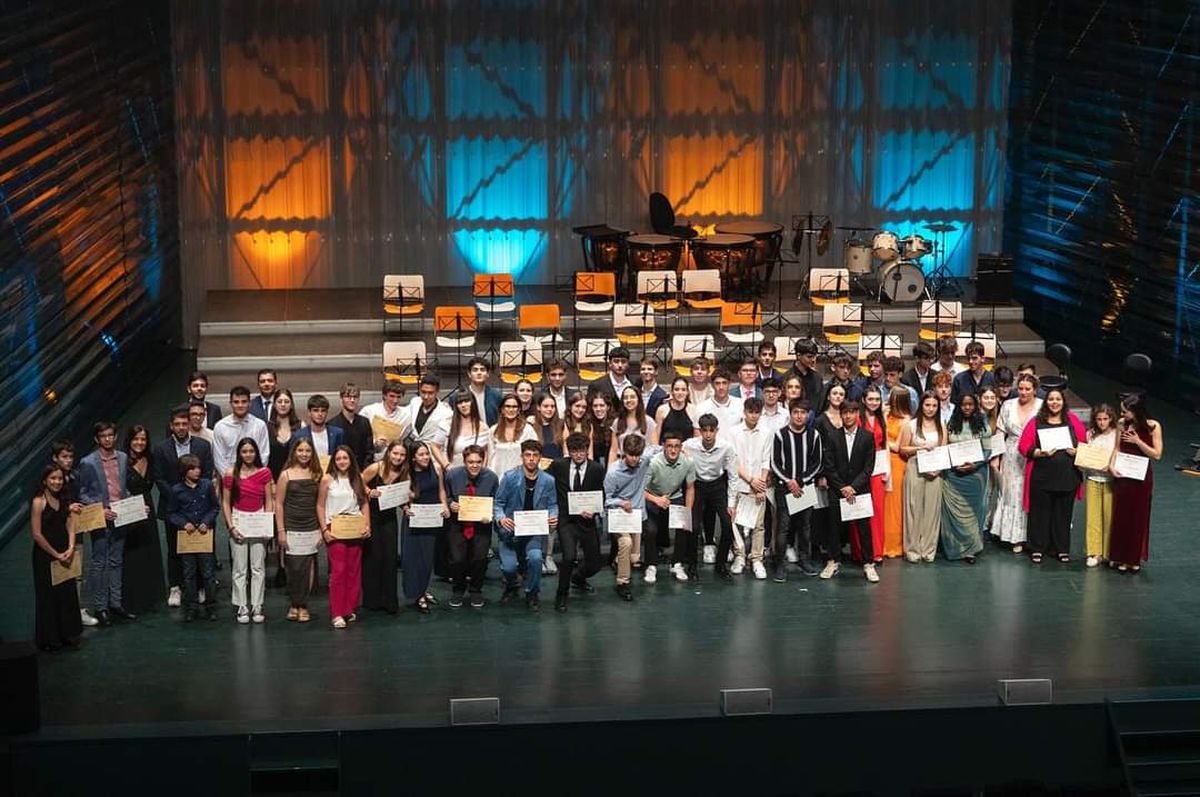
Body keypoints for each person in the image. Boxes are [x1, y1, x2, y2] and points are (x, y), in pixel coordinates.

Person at [152, 409, 214, 608]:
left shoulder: (202, 446)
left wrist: (193, 495)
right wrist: (178, 496)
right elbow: (159, 477)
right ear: (171, 426)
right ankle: (176, 587)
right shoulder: (161, 448)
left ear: (189, 424)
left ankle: (202, 587)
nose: (180, 427)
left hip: (201, 506)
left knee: (202, 549)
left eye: (184, 424)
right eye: (177, 424)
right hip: (174, 507)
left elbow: (207, 473)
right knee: (174, 549)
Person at [1019, 387, 1087, 565]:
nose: (1054, 403)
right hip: (1042, 476)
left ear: (1063, 402)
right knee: (1039, 514)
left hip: (1067, 477)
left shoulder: (1072, 420)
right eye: (1051, 399)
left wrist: (1077, 451)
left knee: (1063, 515)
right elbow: (1024, 445)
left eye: (1058, 399)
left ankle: (1061, 548)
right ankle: (1037, 548)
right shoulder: (1035, 421)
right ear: (1045, 402)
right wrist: (1038, 453)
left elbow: (1085, 444)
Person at [78, 421, 134, 626]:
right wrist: (100, 510)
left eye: (110, 435)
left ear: (116, 436)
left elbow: (123, 488)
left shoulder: (123, 457)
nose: (107, 439)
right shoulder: (88, 462)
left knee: (117, 560)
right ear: (96, 439)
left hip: (120, 516)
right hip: (100, 517)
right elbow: (83, 493)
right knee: (100, 562)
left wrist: (134, 506)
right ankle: (101, 607)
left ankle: (115, 603)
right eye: (103, 436)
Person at [493, 439, 559, 611]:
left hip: (533, 531)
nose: (531, 459)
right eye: (527, 455)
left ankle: (532, 593)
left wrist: (553, 516)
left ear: (540, 458)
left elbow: (553, 504)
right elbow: (498, 503)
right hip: (510, 531)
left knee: (536, 559)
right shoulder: (509, 477)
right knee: (508, 567)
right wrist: (500, 518)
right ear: (522, 456)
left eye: (535, 455)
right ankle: (512, 585)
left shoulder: (548, 480)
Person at [820, 401, 879, 583]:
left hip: (859, 490)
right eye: (845, 412)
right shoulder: (832, 436)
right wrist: (842, 487)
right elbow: (829, 466)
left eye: (852, 412)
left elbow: (868, 468)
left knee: (864, 528)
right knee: (834, 528)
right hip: (838, 490)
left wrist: (853, 487)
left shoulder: (867, 437)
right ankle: (833, 561)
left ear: (857, 414)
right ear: (841, 414)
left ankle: (868, 564)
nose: (848, 416)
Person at [221, 437, 274, 624]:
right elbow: (226, 502)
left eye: (251, 451)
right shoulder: (230, 473)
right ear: (239, 453)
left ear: (256, 453)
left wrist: (267, 525)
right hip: (238, 519)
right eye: (244, 451)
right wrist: (231, 526)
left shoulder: (264, 472)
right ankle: (242, 606)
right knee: (239, 568)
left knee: (258, 567)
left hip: (259, 519)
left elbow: (269, 500)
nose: (248, 454)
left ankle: (257, 605)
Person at [1108, 394, 1163, 574]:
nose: (1122, 414)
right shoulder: (1121, 424)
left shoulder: (1153, 426)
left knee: (1137, 518)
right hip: (1123, 475)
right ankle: (1120, 557)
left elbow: (1157, 454)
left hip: (1141, 478)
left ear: (1136, 411)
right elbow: (1116, 448)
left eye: (1125, 411)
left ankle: (1133, 559)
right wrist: (1111, 465)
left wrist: (1138, 441)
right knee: (1121, 517)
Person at [770, 398, 823, 581]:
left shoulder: (814, 435)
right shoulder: (779, 435)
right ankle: (779, 564)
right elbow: (774, 463)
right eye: (796, 412)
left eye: (803, 412)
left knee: (805, 527)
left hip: (805, 488)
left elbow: (817, 463)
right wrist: (788, 481)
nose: (799, 416)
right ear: (790, 414)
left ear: (808, 415)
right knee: (783, 528)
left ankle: (804, 559)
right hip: (784, 488)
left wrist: (800, 480)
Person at [30, 466, 82, 651]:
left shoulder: (64, 499)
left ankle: (67, 634)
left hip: (64, 552)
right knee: (48, 597)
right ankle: (50, 639)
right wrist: (56, 554)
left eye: (60, 478)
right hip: (46, 556)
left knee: (66, 594)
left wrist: (70, 547)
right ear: (45, 480)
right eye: (52, 478)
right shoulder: (38, 501)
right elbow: (36, 534)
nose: (57, 482)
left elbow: (70, 523)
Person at [319, 445, 371, 627]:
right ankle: (337, 612)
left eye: (345, 458)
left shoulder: (358, 479)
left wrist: (367, 525)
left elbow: (364, 504)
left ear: (351, 460)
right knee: (338, 571)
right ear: (334, 461)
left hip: (355, 527)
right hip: (336, 528)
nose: (342, 461)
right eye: (339, 458)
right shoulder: (327, 479)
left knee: (353, 570)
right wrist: (324, 529)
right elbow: (320, 506)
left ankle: (349, 609)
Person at [603, 434, 660, 599]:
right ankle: (623, 583)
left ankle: (617, 560)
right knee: (626, 543)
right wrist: (621, 502)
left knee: (634, 557)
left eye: (637, 455)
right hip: (619, 514)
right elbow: (606, 500)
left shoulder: (644, 460)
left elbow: (659, 448)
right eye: (631, 455)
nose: (634, 459)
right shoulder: (613, 472)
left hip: (636, 516)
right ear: (623, 452)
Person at [992, 374, 1042, 553]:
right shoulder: (1008, 405)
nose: (1023, 392)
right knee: (1011, 492)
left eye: (1028, 389)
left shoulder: (1041, 406)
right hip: (1012, 453)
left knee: (1029, 492)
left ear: (1034, 390)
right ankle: (1013, 536)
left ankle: (1030, 536)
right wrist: (996, 457)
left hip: (1033, 454)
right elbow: (999, 432)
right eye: (1021, 388)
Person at [683, 414, 737, 579]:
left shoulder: (726, 447)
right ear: (699, 431)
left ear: (716, 431)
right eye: (704, 430)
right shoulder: (689, 445)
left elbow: (733, 476)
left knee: (728, 525)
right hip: (697, 486)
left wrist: (732, 503)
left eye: (711, 431)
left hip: (717, 485)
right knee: (693, 527)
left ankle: (720, 565)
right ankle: (691, 566)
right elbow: (672, 449)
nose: (708, 434)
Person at [275, 439, 323, 623]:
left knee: (308, 566)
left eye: (308, 450)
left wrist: (321, 528)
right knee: (293, 567)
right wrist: (281, 531)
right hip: (291, 526)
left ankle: (303, 605)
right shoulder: (285, 475)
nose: (304, 454)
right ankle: (293, 603)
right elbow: (278, 504)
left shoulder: (317, 474)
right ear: (294, 452)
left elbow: (321, 503)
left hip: (311, 526)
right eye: (300, 450)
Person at [444, 445, 498, 608]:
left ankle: (475, 590)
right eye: (470, 462)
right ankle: (458, 589)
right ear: (464, 461)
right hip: (457, 524)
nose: (474, 465)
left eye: (478, 462)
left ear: (483, 461)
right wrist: (450, 503)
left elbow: (497, 501)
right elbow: (444, 495)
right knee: (457, 559)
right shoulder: (452, 475)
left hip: (481, 525)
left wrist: (490, 514)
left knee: (480, 558)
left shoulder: (491, 478)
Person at [169, 454, 220, 622]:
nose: (197, 471)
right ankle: (191, 607)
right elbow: (171, 513)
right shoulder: (176, 490)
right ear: (185, 472)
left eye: (198, 467)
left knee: (208, 572)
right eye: (193, 468)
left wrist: (206, 521)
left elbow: (214, 507)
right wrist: (184, 524)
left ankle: (211, 606)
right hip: (188, 538)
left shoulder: (206, 486)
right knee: (189, 574)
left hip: (204, 536)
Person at [940, 393, 989, 564]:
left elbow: (988, 450)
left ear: (975, 406)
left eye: (970, 404)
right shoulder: (951, 424)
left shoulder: (983, 423)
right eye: (963, 405)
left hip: (976, 475)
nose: (967, 408)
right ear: (958, 406)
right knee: (953, 514)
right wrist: (954, 465)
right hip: (953, 475)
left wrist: (974, 465)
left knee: (974, 513)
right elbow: (945, 447)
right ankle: (954, 548)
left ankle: (971, 549)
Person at [643, 430, 697, 583]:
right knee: (651, 531)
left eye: (676, 446)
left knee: (683, 527)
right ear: (663, 447)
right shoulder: (653, 463)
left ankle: (677, 563)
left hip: (675, 496)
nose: (673, 450)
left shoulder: (688, 462)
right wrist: (656, 499)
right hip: (653, 497)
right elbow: (640, 489)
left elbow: (690, 488)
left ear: (681, 447)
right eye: (669, 446)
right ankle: (651, 565)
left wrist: (688, 511)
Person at [727, 397, 773, 579]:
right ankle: (739, 556)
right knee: (736, 522)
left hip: (758, 485)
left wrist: (760, 485)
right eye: (750, 412)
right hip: (739, 483)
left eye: (756, 412)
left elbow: (766, 460)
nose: (753, 415)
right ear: (744, 412)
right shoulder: (733, 432)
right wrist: (750, 479)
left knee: (758, 525)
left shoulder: (766, 432)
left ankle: (756, 559)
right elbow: (733, 461)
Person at [361, 440, 408, 613]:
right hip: (372, 516)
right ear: (388, 453)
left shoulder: (404, 473)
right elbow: (359, 481)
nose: (398, 457)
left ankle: (389, 601)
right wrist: (369, 491)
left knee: (389, 558)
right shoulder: (376, 468)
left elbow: (402, 497)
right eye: (395, 453)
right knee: (373, 557)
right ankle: (372, 600)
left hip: (389, 519)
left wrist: (406, 507)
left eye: (402, 455)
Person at [899, 393, 945, 563]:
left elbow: (944, 449)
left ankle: (928, 550)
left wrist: (938, 470)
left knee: (931, 511)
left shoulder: (941, 425)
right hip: (915, 468)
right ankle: (912, 550)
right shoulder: (911, 425)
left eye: (934, 405)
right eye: (927, 405)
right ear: (921, 405)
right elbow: (902, 448)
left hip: (935, 472)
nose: (931, 409)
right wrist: (920, 448)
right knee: (913, 509)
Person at [401, 441, 448, 613]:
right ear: (413, 458)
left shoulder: (436, 469)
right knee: (412, 559)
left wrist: (445, 505)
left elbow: (441, 490)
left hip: (432, 520)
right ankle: (417, 594)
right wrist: (406, 507)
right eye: (421, 454)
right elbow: (403, 499)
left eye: (426, 453)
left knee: (427, 559)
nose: (425, 457)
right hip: (414, 521)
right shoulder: (406, 474)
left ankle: (423, 589)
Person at [121, 425, 163, 614]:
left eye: (143, 439)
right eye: (136, 439)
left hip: (147, 507)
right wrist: (132, 506)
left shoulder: (151, 458)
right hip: (129, 509)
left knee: (149, 549)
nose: (140, 442)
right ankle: (132, 599)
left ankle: (150, 596)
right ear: (129, 440)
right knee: (132, 554)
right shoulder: (122, 461)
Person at [851, 387, 888, 566]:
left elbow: (885, 445)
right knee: (860, 510)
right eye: (870, 399)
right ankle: (860, 552)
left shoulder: (882, 419)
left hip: (878, 469)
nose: (874, 402)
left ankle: (876, 551)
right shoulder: (857, 419)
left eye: (877, 399)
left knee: (877, 511)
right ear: (864, 400)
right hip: (861, 470)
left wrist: (886, 470)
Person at [1082, 404, 1118, 567]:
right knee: (1093, 516)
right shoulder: (1090, 434)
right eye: (1099, 419)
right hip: (1093, 478)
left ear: (1111, 419)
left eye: (1105, 419)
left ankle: (1109, 553)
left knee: (1109, 517)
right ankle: (1094, 552)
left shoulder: (1116, 434)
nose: (1102, 422)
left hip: (1111, 480)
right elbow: (1085, 455)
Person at [213, 386, 270, 479]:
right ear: (230, 403)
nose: (240, 405)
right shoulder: (220, 426)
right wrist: (231, 479)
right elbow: (219, 459)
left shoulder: (260, 425)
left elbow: (264, 455)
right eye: (236, 402)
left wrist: (253, 478)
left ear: (249, 403)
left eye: (244, 401)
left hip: (255, 481)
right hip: (229, 480)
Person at [882, 389, 913, 559]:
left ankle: (894, 545)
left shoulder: (906, 420)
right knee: (885, 505)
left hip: (897, 463)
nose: (890, 402)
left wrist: (880, 438)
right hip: (884, 460)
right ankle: (883, 542)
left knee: (895, 506)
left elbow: (899, 447)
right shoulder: (887, 415)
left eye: (894, 399)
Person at [436, 391, 489, 469]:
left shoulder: (483, 427)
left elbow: (486, 451)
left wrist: (482, 471)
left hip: (477, 473)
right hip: (454, 472)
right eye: (460, 402)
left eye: (467, 401)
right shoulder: (447, 424)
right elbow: (434, 446)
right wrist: (446, 465)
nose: (463, 405)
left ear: (473, 403)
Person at [445, 356, 503, 426]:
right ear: (469, 374)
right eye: (475, 370)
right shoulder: (456, 397)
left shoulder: (497, 396)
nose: (479, 373)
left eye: (482, 370)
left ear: (488, 374)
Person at [489, 393, 537, 477]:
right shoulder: (493, 430)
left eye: (514, 407)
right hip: (499, 478)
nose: (511, 410)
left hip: (521, 479)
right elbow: (490, 457)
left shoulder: (527, 430)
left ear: (519, 410)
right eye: (507, 406)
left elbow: (535, 455)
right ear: (502, 409)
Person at [360, 382, 410, 462]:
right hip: (372, 459)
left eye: (398, 397)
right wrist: (374, 443)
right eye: (392, 396)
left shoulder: (406, 414)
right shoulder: (369, 411)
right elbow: (360, 435)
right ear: (384, 395)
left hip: (394, 460)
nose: (395, 400)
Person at [329, 382, 374, 469]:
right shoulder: (332, 425)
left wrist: (364, 472)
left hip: (362, 472)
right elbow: (332, 454)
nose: (352, 400)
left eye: (355, 397)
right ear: (341, 398)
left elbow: (369, 451)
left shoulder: (364, 422)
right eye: (348, 397)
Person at [291, 394, 345, 467]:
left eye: (323, 411)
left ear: (327, 412)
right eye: (316, 410)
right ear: (309, 413)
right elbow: (293, 460)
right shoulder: (298, 435)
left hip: (331, 475)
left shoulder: (337, 433)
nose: (320, 414)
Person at [609, 385, 656, 464]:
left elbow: (654, 449)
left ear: (639, 399)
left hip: (643, 466)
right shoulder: (617, 422)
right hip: (622, 467)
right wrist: (609, 472)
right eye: (625, 398)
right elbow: (613, 451)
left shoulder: (649, 422)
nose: (628, 400)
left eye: (632, 397)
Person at [696, 367, 743, 439]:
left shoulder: (740, 404)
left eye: (724, 383)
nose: (721, 387)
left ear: (729, 384)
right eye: (717, 383)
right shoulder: (702, 408)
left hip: (735, 449)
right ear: (712, 385)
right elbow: (697, 436)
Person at [407, 374, 451, 450]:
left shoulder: (446, 413)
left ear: (437, 392)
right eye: (423, 392)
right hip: (413, 452)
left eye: (430, 393)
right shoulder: (415, 402)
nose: (426, 397)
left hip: (432, 455)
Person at [266, 390, 302, 478]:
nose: (283, 404)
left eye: (286, 402)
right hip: (272, 480)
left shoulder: (301, 426)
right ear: (274, 405)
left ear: (291, 405)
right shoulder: (266, 427)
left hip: (295, 478)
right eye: (279, 401)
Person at [652, 376, 697, 444]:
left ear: (687, 392)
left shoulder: (694, 410)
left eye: (683, 390)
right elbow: (656, 436)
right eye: (677, 389)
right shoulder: (662, 410)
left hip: (688, 451)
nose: (680, 393)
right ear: (672, 391)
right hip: (666, 450)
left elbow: (697, 438)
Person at [950, 341, 996, 405]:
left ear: (983, 359)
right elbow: (953, 404)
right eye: (968, 358)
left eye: (974, 358)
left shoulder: (992, 378)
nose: (970, 361)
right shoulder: (959, 379)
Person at [532, 392, 565, 460]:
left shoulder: (562, 424)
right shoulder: (532, 426)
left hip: (558, 466)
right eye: (546, 406)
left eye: (552, 406)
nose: (550, 409)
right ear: (538, 407)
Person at [588, 392, 614, 466]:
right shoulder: (589, 424)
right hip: (594, 465)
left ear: (608, 407)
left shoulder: (615, 423)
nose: (598, 409)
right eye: (595, 406)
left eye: (602, 405)